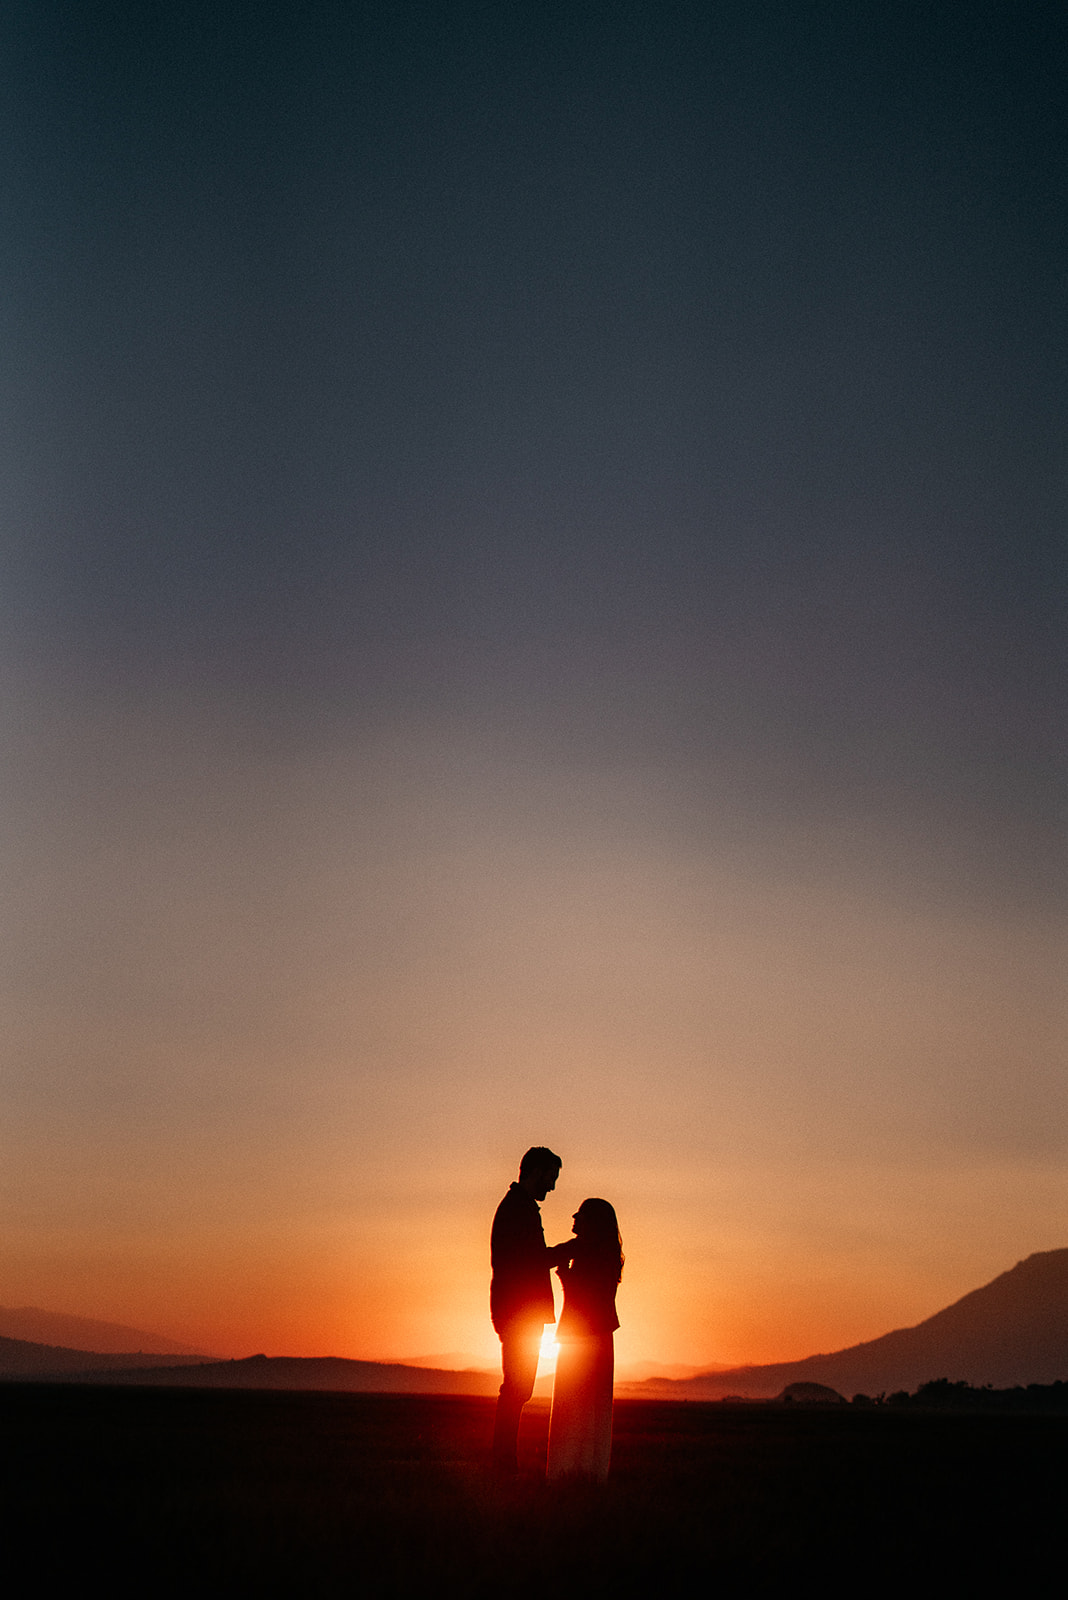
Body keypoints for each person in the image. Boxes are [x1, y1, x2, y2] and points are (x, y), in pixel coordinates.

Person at [490, 1146, 564, 1476]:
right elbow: (534, 1259)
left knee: (519, 1388)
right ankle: (503, 1462)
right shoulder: (519, 1210)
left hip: (519, 1312)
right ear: (535, 1172)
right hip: (520, 1313)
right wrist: (574, 1248)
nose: (552, 1186)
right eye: (551, 1177)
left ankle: (504, 1460)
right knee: (517, 1388)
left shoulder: (519, 1208)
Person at [546, 1197, 623, 1483]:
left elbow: (548, 1257)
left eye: (580, 1215)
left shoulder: (581, 1248)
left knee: (572, 1403)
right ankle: (590, 1469)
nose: (574, 1217)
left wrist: (564, 1275)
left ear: (591, 1222)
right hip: (601, 1336)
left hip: (579, 1337)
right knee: (594, 1405)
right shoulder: (609, 1254)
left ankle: (567, 1469)